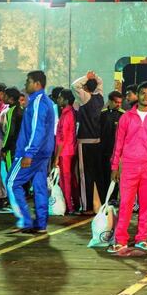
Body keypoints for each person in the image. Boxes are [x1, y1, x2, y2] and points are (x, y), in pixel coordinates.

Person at [108, 82, 147, 255]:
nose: (145, 96)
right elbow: (118, 143)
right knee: (125, 204)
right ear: (137, 95)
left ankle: (142, 239)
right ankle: (121, 240)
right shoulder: (126, 117)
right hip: (129, 166)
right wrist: (115, 166)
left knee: (146, 205)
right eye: (142, 93)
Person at [7, 71, 56, 233]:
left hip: (32, 153)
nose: (25, 84)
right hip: (42, 153)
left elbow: (37, 130)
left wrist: (29, 153)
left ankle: (25, 221)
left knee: (12, 182)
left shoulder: (38, 102)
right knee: (40, 187)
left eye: (28, 81)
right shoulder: (44, 102)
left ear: (37, 84)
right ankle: (41, 224)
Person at [72, 71, 104, 213]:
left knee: (85, 176)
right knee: (95, 174)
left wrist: (86, 76)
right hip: (97, 141)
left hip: (85, 141)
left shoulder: (86, 98)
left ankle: (86, 206)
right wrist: (94, 78)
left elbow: (74, 86)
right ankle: (97, 204)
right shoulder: (100, 98)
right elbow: (100, 83)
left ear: (85, 87)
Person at [0, 87, 24, 214]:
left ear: (11, 99)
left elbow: (9, 132)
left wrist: (5, 147)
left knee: (11, 178)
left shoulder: (12, 111)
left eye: (6, 96)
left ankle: (15, 205)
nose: (4, 98)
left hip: (12, 149)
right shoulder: (21, 110)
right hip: (20, 148)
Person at [53, 90, 78, 214]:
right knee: (69, 178)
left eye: (60, 98)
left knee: (65, 180)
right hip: (70, 150)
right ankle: (72, 204)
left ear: (66, 100)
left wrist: (56, 157)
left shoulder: (66, 114)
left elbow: (62, 138)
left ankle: (69, 206)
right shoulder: (70, 112)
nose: (58, 100)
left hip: (65, 153)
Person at [99, 91, 125, 201]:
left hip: (118, 152)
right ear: (110, 101)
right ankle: (105, 197)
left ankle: (114, 197)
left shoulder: (123, 115)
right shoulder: (102, 114)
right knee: (104, 174)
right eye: (116, 102)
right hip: (103, 150)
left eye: (120, 102)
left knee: (116, 175)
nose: (118, 104)